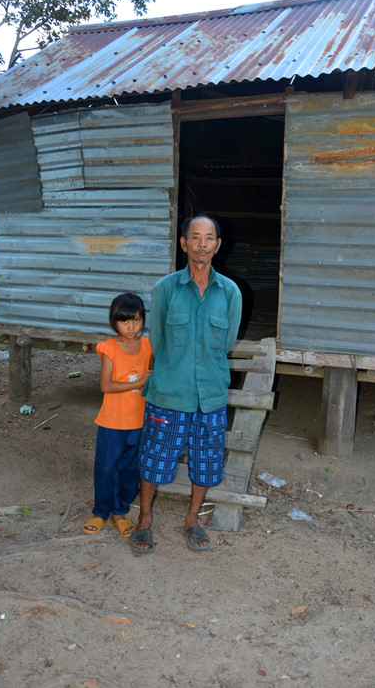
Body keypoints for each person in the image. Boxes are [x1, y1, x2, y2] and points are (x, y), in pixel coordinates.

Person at [131, 215, 242, 554]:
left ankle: (192, 519)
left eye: (209, 238)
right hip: (169, 393)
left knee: (205, 462)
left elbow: (227, 343)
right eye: (195, 237)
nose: (202, 244)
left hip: (209, 395)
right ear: (184, 244)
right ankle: (145, 518)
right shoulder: (165, 289)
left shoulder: (230, 293)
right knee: (154, 459)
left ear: (217, 245)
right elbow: (159, 342)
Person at [83, 293, 153, 538]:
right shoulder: (110, 348)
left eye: (136, 320)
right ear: (114, 322)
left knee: (130, 469)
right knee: (105, 467)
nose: (131, 327)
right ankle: (101, 512)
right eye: (124, 322)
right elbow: (106, 385)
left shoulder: (148, 346)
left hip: (139, 421)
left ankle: (120, 513)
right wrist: (138, 383)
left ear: (143, 319)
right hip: (112, 421)